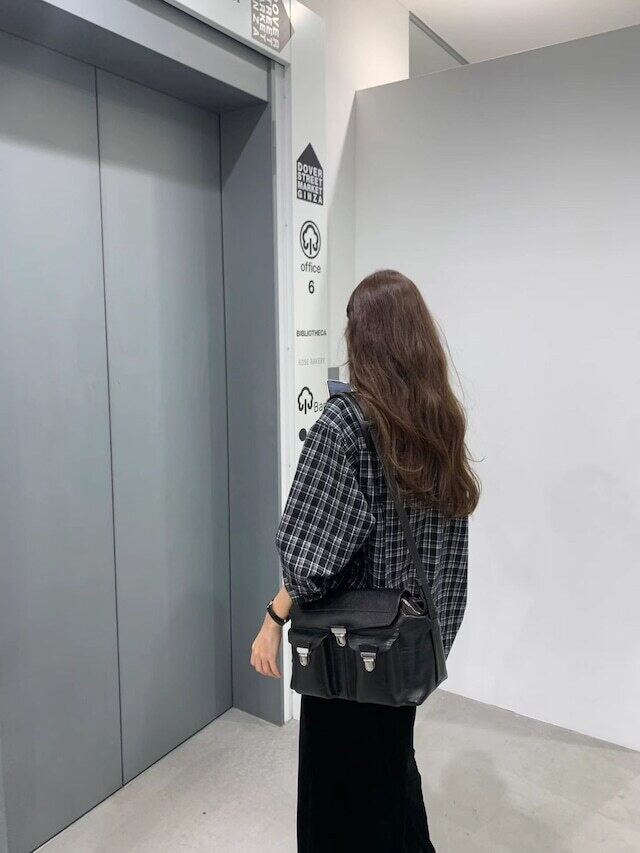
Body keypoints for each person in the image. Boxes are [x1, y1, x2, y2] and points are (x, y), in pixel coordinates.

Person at [250, 269, 480, 852]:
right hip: (407, 652)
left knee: (338, 803)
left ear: (363, 338)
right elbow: (451, 556)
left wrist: (273, 619)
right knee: (391, 778)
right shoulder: (439, 421)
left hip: (347, 658)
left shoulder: (347, 424)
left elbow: (309, 557)